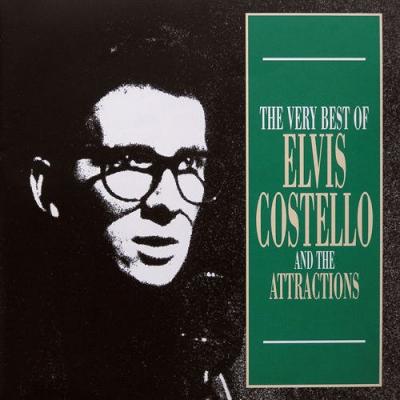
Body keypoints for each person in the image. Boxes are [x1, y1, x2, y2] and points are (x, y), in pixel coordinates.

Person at [2, 17, 243, 399]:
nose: (166, 201)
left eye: (189, 163)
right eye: (131, 162)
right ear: (47, 189)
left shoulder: (226, 368)